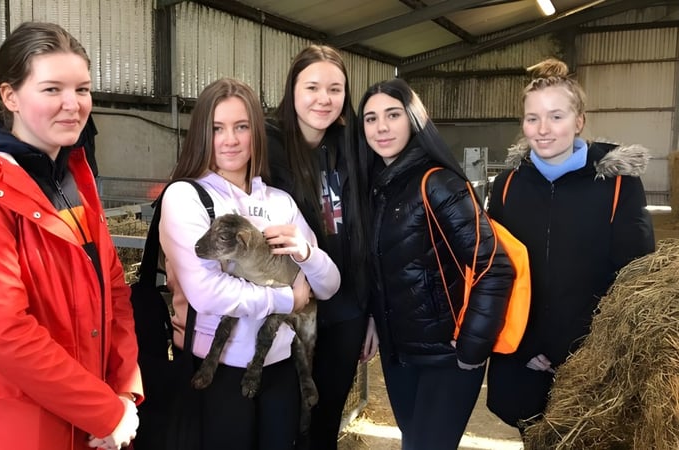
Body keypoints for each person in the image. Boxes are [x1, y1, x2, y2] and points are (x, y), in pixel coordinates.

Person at [0, 22, 142, 449]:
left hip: (85, 421)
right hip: (10, 429)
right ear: (10, 97)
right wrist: (103, 410)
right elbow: (2, 331)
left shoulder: (75, 175)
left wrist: (123, 389)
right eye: (51, 89)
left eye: (82, 89)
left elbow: (114, 290)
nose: (72, 104)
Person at [159, 77, 341, 450]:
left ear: (256, 133)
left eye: (241, 127)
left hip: (279, 365)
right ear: (201, 135)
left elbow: (328, 285)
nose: (230, 140)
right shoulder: (186, 196)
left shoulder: (279, 202)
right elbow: (207, 293)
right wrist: (287, 300)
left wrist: (307, 254)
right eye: (217, 128)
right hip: (216, 370)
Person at [485, 58, 655, 431]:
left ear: (578, 121)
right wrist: (529, 345)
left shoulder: (616, 186)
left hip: (591, 356)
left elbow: (635, 279)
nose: (543, 130)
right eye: (533, 118)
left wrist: (580, 351)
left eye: (556, 116)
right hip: (523, 350)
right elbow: (498, 270)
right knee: (532, 430)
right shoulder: (508, 186)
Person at [356, 78, 515, 450]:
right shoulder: (378, 187)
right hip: (401, 355)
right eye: (370, 118)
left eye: (392, 115)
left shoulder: (438, 182)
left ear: (413, 120)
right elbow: (382, 268)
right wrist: (373, 319)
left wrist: (471, 350)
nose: (381, 127)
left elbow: (495, 266)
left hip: (447, 358)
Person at [266, 44, 373, 450]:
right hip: (289, 306)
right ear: (292, 88)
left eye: (335, 88)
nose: (323, 99)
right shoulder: (266, 145)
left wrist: (371, 313)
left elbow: (370, 230)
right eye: (312, 87)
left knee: (326, 417)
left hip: (345, 308)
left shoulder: (353, 145)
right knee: (285, 419)